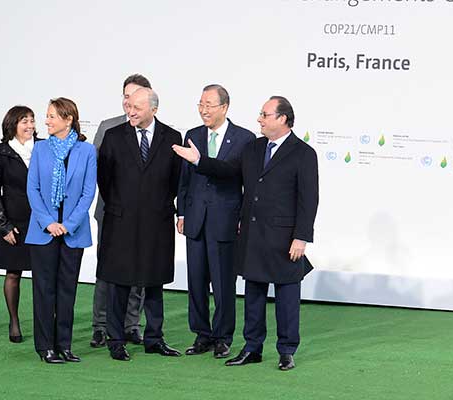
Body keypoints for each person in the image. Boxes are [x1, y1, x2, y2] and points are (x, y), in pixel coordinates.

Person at [172, 96, 318, 370]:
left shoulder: (303, 153)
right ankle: (252, 348)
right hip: (252, 234)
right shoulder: (253, 148)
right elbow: (229, 171)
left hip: (286, 238)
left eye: (265, 114)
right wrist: (199, 160)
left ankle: (286, 351)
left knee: (287, 297)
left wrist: (301, 236)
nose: (259, 119)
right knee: (253, 295)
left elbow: (309, 199)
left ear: (283, 119)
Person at [97, 88, 182, 361]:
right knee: (119, 284)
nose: (131, 111)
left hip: (157, 222)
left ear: (154, 110)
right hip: (120, 221)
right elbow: (104, 180)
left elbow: (175, 181)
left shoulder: (172, 138)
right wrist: (121, 206)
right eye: (129, 106)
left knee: (154, 282)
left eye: (137, 107)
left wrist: (159, 206)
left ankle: (154, 338)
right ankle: (116, 340)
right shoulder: (113, 137)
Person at [177, 84, 254, 358]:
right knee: (196, 281)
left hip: (225, 220)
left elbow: (242, 179)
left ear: (224, 107)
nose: (203, 110)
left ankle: (223, 336)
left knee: (223, 284)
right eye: (200, 104)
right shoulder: (193, 135)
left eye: (209, 104)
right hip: (195, 218)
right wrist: (182, 213)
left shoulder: (245, 138)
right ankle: (201, 335)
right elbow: (184, 180)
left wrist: (243, 219)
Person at [25, 98, 96, 364]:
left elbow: (88, 192)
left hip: (72, 232)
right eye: (47, 116)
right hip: (43, 231)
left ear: (68, 119)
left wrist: (69, 224)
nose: (46, 121)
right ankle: (45, 347)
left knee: (67, 290)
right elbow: (32, 189)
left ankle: (64, 345)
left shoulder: (86, 151)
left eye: (52, 116)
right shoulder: (41, 149)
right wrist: (48, 222)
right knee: (44, 290)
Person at [90, 74, 151, 348]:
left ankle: (131, 324)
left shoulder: (155, 131)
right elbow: (96, 172)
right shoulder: (107, 127)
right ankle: (100, 325)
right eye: (126, 96)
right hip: (111, 212)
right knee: (107, 269)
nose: (130, 102)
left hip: (143, 216)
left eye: (135, 96)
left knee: (139, 270)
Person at [0, 105, 40, 343]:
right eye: (24, 121)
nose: (30, 126)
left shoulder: (43, 148)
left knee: (44, 275)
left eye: (32, 120)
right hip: (13, 222)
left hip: (41, 221)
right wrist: (3, 225)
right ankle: (14, 322)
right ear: (12, 125)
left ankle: (44, 324)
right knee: (13, 274)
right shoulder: (0, 152)